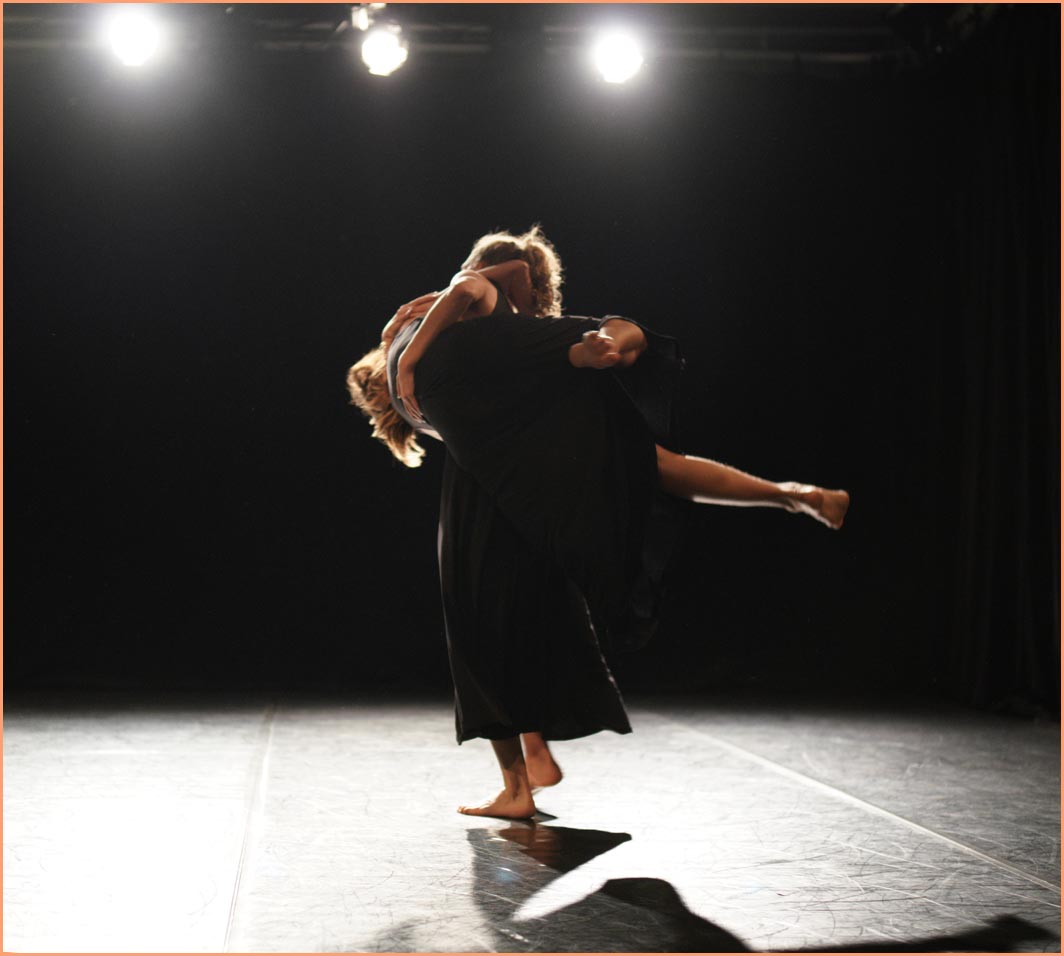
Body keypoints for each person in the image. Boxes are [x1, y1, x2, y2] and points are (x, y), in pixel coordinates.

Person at [348, 227, 849, 820]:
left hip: (504, 469)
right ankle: (792, 495)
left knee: (483, 619)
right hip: (524, 452)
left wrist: (408, 354)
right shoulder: (496, 338)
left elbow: (474, 286)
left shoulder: (450, 325)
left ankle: (519, 781)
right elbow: (528, 288)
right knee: (647, 469)